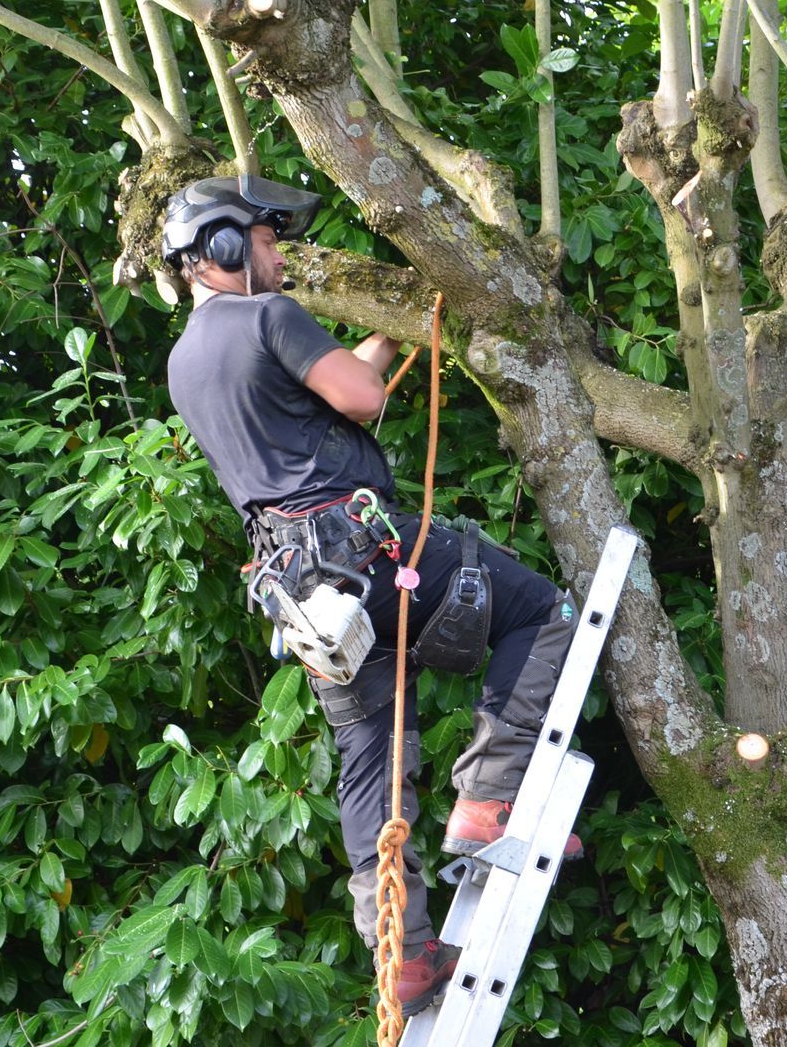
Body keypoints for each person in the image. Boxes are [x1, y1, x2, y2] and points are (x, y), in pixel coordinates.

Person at [160, 176, 579, 1015]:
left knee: (370, 756)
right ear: (223, 247)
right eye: (267, 241)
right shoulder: (266, 315)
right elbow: (361, 399)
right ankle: (490, 799)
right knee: (544, 614)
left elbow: (334, 395)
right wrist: (375, 360)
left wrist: (389, 337)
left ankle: (404, 954)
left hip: (303, 591)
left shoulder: (185, 362)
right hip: (362, 551)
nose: (282, 257)